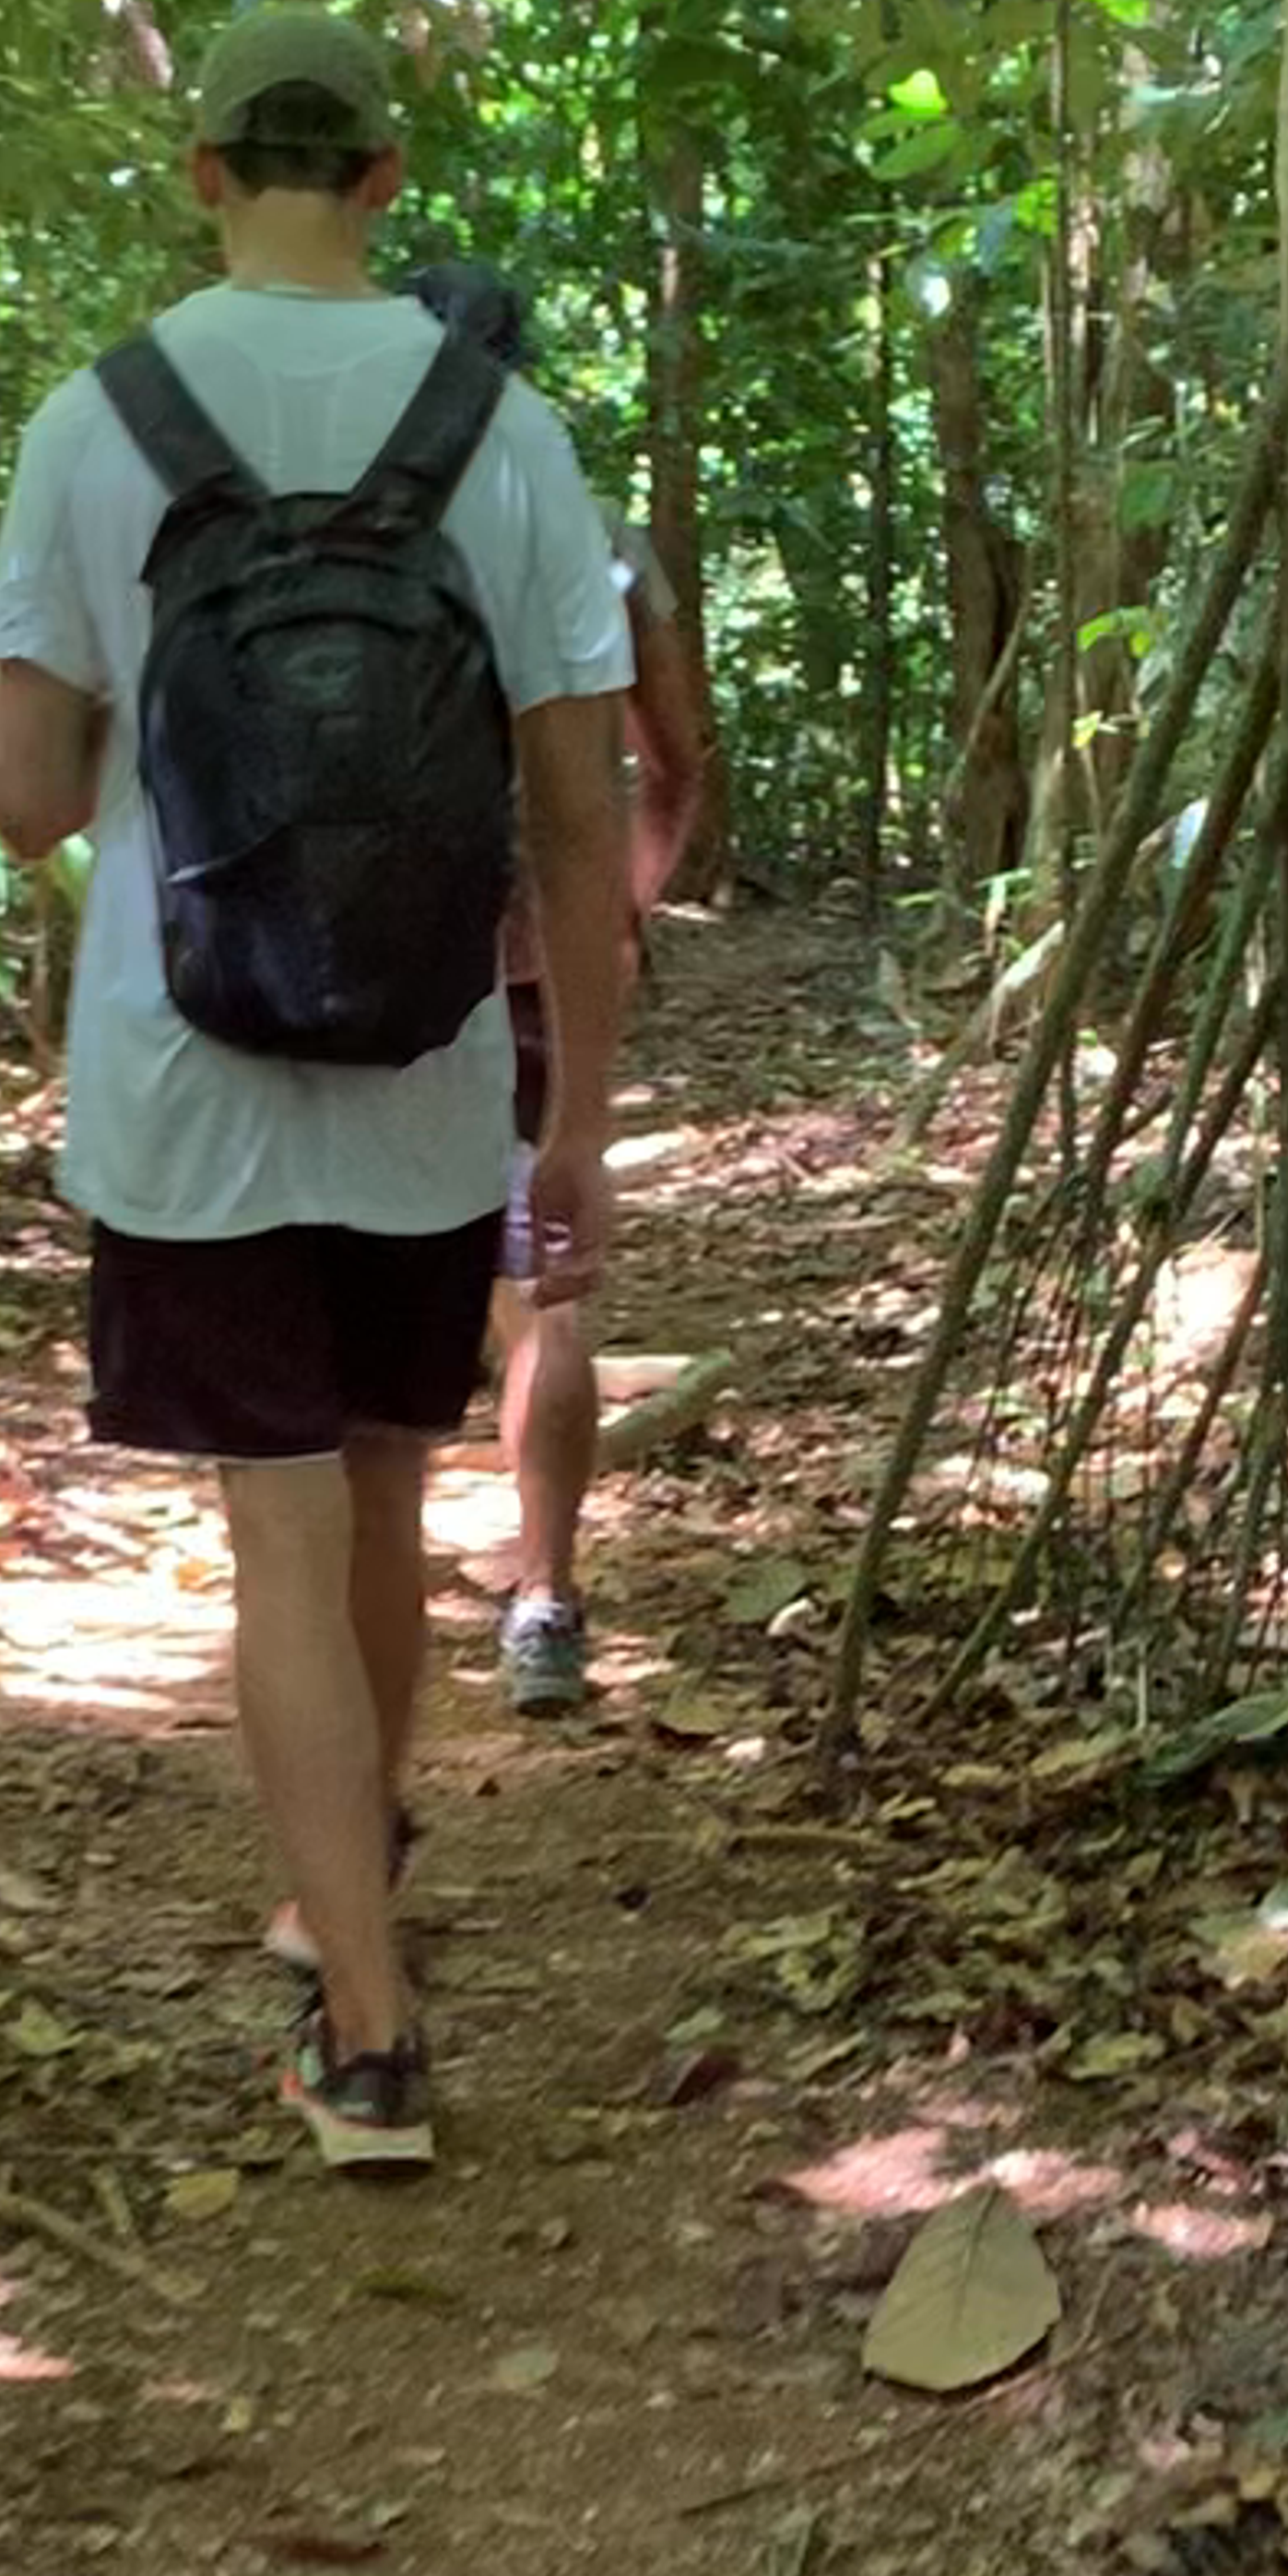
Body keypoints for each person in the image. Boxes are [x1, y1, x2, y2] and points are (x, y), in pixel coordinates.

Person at [0, 8, 632, 2174]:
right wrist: (578, 1122)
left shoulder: (98, 420)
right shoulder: (504, 430)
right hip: (431, 1072)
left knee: (273, 1529)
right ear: (381, 179)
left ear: (201, 172)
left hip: (188, 1082)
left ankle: (366, 2035)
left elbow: (25, 797)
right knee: (381, 1496)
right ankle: (353, 1890)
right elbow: (578, 815)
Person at [406, 263, 710, 1717]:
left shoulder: (337, 529)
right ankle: (543, 1598)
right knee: (547, 1286)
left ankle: (348, 1595)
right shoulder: (595, 538)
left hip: (365, 971)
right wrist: (618, 906)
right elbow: (678, 762)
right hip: (535, 967)